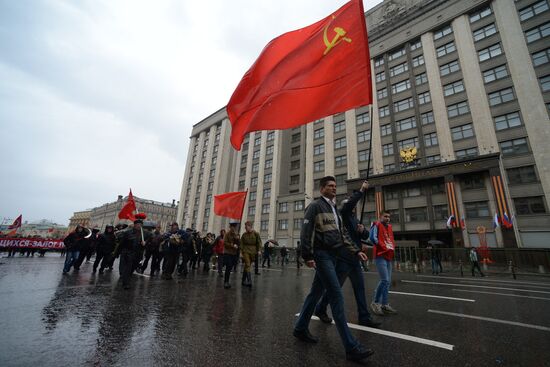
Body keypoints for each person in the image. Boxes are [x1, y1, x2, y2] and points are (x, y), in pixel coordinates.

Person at [294, 176, 374, 362]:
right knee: (336, 296)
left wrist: (355, 252)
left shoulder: (334, 210)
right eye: (330, 186)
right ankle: (351, 347)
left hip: (333, 255)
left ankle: (299, 328)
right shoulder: (315, 206)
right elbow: (306, 231)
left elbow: (342, 235)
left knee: (315, 293)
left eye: (335, 186)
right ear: (321, 189)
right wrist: (307, 255)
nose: (333, 188)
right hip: (322, 255)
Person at [315, 181, 381, 328]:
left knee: (360, 288)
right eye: (350, 204)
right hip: (344, 257)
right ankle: (320, 308)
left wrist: (362, 230)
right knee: (335, 287)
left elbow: (365, 236)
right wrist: (362, 190)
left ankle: (364, 317)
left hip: (356, 258)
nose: (352, 206)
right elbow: (349, 204)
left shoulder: (354, 219)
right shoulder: (343, 214)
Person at [369, 210, 397, 316]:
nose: (387, 218)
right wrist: (382, 246)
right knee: (384, 280)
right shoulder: (376, 224)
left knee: (387, 282)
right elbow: (372, 238)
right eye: (385, 216)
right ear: (380, 217)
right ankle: (375, 302)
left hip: (388, 255)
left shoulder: (389, 227)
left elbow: (390, 239)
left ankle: (385, 304)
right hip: (380, 255)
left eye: (389, 217)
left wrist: (390, 247)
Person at [115, 213, 151, 289]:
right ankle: (126, 283)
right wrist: (117, 253)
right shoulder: (128, 232)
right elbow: (122, 243)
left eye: (140, 224)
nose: (139, 226)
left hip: (137, 254)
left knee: (132, 268)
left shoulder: (144, 233)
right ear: (134, 225)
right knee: (127, 268)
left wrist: (145, 242)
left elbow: (151, 239)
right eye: (137, 224)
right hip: (127, 252)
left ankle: (126, 278)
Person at [240, 221, 261, 287]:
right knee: (248, 264)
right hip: (245, 251)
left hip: (253, 252)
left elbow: (259, 242)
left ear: (250, 226)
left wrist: (259, 250)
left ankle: (243, 281)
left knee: (247, 266)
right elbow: (241, 244)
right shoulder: (244, 235)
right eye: (245, 227)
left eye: (246, 227)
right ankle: (249, 281)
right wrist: (240, 253)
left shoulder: (256, 234)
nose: (245, 228)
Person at [223, 221, 240, 289]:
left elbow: (239, 243)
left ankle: (227, 281)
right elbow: (225, 243)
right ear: (230, 227)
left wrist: (237, 240)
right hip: (228, 253)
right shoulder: (227, 234)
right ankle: (226, 282)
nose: (234, 228)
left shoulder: (236, 234)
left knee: (231, 267)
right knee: (228, 266)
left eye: (235, 227)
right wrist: (232, 245)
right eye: (233, 227)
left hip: (234, 253)